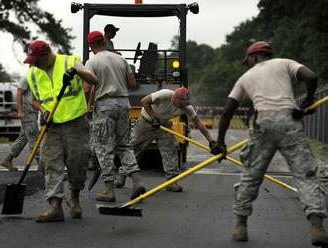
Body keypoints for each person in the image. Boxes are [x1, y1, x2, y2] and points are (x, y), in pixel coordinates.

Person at [211, 41, 328, 246]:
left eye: (247, 60)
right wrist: (308, 100)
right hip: (290, 122)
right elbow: (310, 76)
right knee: (305, 175)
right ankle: (317, 227)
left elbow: (227, 112)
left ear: (255, 56)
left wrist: (221, 144)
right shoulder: (285, 63)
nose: (246, 64)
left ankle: (240, 226)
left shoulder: (245, 78)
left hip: (263, 123)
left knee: (251, 176)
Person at [24, 40, 98, 222]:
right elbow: (34, 99)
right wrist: (43, 109)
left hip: (75, 124)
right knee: (51, 164)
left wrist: (77, 71)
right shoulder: (33, 72)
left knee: (77, 164)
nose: (34, 64)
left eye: (36, 60)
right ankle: (55, 206)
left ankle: (73, 196)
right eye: (31, 61)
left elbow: (93, 79)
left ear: (47, 54)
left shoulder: (69, 62)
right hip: (52, 126)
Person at [114, 87, 216, 192]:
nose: (183, 107)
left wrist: (211, 141)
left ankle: (171, 182)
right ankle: (122, 175)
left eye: (185, 104)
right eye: (181, 104)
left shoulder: (187, 107)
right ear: (175, 99)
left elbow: (199, 124)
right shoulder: (165, 95)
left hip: (164, 125)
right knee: (134, 149)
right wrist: (153, 118)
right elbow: (144, 101)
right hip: (146, 123)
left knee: (171, 150)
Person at [84, 31, 146, 202]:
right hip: (123, 103)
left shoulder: (92, 61)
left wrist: (87, 107)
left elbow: (87, 88)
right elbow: (132, 83)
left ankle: (109, 190)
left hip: (105, 106)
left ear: (91, 46)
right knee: (124, 145)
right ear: (104, 42)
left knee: (104, 147)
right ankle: (137, 181)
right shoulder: (120, 59)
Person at [0, 78, 41, 172]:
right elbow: (19, 92)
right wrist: (20, 110)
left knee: (23, 137)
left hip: (32, 111)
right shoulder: (28, 77)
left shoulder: (38, 75)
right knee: (34, 136)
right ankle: (41, 164)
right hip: (28, 111)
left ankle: (7, 159)